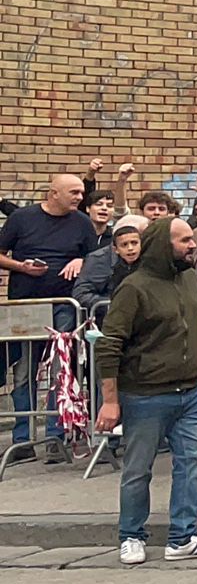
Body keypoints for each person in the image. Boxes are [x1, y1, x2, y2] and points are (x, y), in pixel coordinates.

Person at [94, 217, 197, 565]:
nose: (192, 245)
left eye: (192, 239)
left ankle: (183, 537)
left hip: (190, 392)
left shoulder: (188, 277)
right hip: (145, 394)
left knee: (191, 464)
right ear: (162, 245)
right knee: (138, 468)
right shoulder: (133, 287)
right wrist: (110, 401)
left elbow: (189, 329)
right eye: (184, 240)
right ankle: (131, 535)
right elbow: (109, 345)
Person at [0, 173, 96, 460]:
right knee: (25, 371)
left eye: (81, 192)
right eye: (74, 192)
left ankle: (55, 435)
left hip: (64, 304)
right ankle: (23, 439)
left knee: (59, 371)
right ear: (53, 193)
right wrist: (21, 266)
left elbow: (98, 256)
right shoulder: (22, 219)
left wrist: (82, 260)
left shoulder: (82, 222)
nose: (80, 197)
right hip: (26, 304)